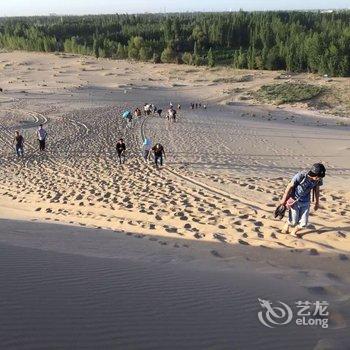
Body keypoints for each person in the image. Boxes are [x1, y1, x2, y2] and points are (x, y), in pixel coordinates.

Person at [279, 163, 326, 237]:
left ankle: (293, 232)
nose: (319, 179)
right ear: (314, 174)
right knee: (293, 222)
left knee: (304, 223)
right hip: (294, 201)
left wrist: (317, 203)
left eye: (320, 177)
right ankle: (287, 224)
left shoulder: (318, 180)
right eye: (318, 177)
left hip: (306, 203)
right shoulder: (301, 176)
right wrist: (283, 200)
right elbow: (289, 186)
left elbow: (317, 191)